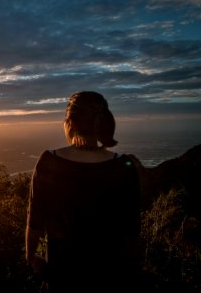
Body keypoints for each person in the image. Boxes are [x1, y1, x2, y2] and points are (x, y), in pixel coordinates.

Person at [25, 91, 142, 292]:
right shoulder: (123, 166)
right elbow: (131, 231)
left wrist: (32, 257)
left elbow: (36, 222)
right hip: (112, 277)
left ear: (69, 123)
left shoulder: (49, 162)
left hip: (63, 277)